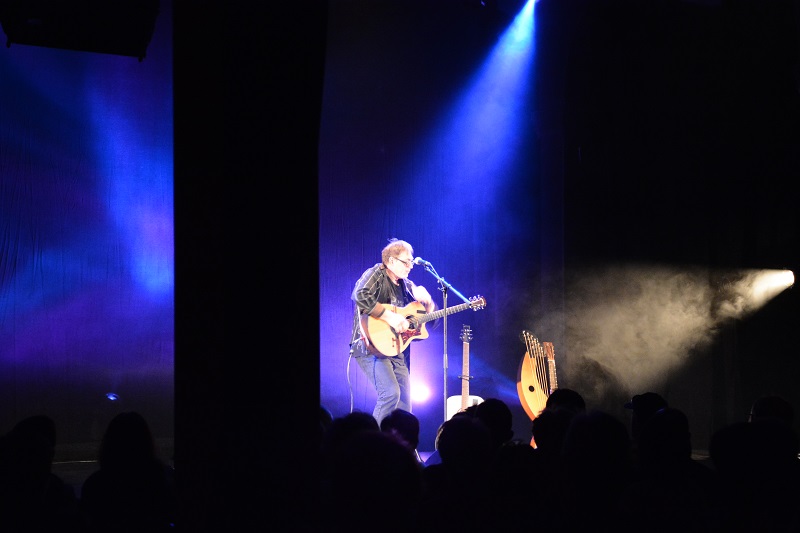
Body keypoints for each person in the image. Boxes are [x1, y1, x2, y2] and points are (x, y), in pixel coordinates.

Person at [349, 238, 436, 425]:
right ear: (391, 261)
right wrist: (390, 317)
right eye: (406, 261)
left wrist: (429, 304)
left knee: (405, 402)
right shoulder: (376, 274)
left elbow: (422, 325)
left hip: (397, 350)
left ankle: (402, 448)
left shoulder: (408, 286)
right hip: (369, 346)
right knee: (390, 393)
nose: (410, 266)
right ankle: (372, 445)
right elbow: (359, 295)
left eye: (411, 262)